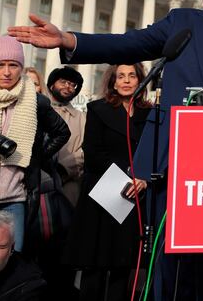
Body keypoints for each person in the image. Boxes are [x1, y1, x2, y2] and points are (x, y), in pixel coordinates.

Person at [8, 0, 203, 300]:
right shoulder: (182, 23)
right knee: (165, 261)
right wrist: (68, 40)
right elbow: (127, 42)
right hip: (169, 164)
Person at [0, 36, 70, 252]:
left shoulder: (36, 100)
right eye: (0, 65)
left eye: (13, 65)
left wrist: (34, 156)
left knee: (12, 263)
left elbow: (62, 132)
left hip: (15, 200)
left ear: (21, 68)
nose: (6, 72)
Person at [64, 64, 150, 301]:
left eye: (132, 76)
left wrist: (143, 179)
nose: (126, 81)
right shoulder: (98, 109)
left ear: (141, 80)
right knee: (96, 264)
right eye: (120, 76)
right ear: (112, 81)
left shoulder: (150, 114)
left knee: (122, 264)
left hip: (134, 195)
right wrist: (128, 176)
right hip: (102, 192)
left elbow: (153, 152)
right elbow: (92, 152)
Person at [46, 66, 86, 206]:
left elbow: (84, 151)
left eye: (72, 84)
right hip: (38, 182)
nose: (67, 86)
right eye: (63, 82)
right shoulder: (40, 110)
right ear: (52, 85)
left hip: (69, 183)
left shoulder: (82, 118)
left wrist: (63, 169)